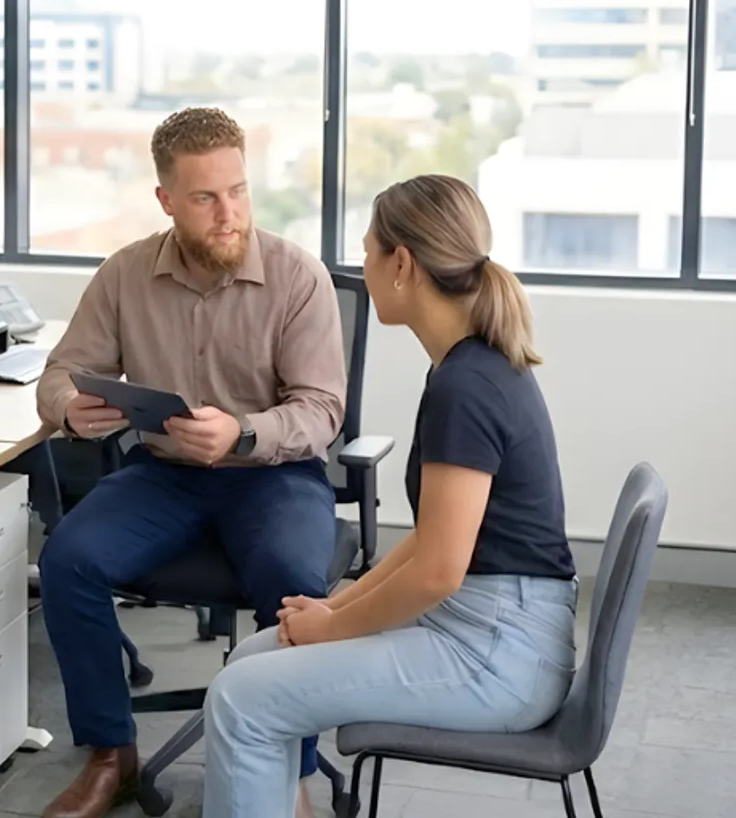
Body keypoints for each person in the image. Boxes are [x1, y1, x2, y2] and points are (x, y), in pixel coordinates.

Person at [200, 174, 579, 818]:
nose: (364, 267)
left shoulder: (468, 385)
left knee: (244, 699)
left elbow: (438, 570)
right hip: (493, 624)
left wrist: (336, 626)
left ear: (402, 263)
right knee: (257, 655)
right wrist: (333, 608)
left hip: (499, 653)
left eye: (369, 251)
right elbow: (430, 544)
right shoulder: (464, 366)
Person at [34, 107, 347, 818]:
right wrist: (67, 408)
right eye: (205, 198)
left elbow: (321, 410)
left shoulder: (298, 277)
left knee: (293, 579)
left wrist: (241, 432)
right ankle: (113, 756)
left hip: (273, 474)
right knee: (67, 561)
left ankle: (288, 771)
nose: (228, 212)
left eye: (237, 190)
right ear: (167, 200)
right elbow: (61, 370)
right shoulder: (125, 275)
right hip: (165, 476)